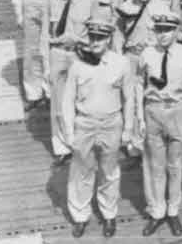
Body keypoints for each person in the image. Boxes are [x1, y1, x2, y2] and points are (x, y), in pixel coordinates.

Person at [61, 18, 134, 238]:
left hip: (111, 123)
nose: (95, 42)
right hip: (85, 124)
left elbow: (129, 98)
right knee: (81, 172)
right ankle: (80, 216)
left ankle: (109, 214)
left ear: (109, 39)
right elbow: (67, 101)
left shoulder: (121, 63)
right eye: (92, 37)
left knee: (109, 172)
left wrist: (129, 128)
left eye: (100, 38)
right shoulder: (77, 64)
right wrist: (69, 133)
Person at [137, 11, 182, 237]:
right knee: (154, 165)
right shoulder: (147, 54)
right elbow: (137, 84)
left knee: (174, 165)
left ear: (176, 32)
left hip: (178, 110)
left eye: (168, 30)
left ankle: (173, 211)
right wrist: (139, 116)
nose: (163, 35)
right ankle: (156, 211)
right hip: (154, 110)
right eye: (159, 30)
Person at [43, 0, 96, 165]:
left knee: (81, 100)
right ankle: (61, 146)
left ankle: (81, 142)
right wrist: (46, 65)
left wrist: (81, 42)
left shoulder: (89, 0)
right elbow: (44, 34)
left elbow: (96, 33)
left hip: (78, 54)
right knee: (58, 103)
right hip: (57, 52)